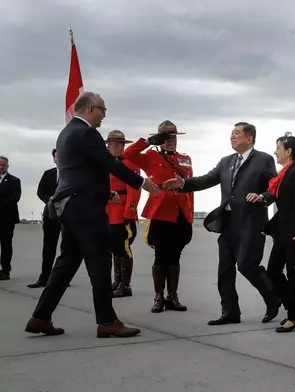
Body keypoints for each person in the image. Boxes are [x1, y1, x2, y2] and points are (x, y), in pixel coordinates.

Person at [25, 92, 159, 338]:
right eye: (102, 110)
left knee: (67, 263)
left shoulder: (66, 133)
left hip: (71, 205)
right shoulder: (87, 133)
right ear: (89, 109)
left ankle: (40, 316)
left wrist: (106, 193)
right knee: (99, 261)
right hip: (85, 208)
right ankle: (107, 321)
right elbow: (111, 164)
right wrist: (143, 183)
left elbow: (82, 172)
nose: (104, 116)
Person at [162, 122, 281, 326]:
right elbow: (207, 179)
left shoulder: (263, 160)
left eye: (236, 133)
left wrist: (262, 196)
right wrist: (183, 184)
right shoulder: (226, 161)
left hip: (251, 223)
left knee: (246, 265)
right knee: (224, 270)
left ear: (249, 138)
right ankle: (230, 312)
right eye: (231, 133)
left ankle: (272, 298)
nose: (232, 136)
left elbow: (274, 187)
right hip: (228, 224)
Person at [122, 121, 193, 313]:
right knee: (161, 256)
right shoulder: (151, 155)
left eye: (174, 137)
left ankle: (173, 296)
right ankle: (159, 296)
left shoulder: (185, 159)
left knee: (175, 256)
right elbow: (127, 155)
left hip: (180, 212)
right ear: (160, 140)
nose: (171, 141)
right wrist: (148, 141)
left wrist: (190, 215)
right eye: (167, 138)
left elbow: (190, 187)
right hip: (161, 211)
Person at [246, 135, 295, 333]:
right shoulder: (285, 174)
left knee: (293, 275)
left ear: (288, 151)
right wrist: (269, 225)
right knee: (273, 271)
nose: (276, 152)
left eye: (278, 148)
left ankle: (294, 318)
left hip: (294, 235)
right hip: (283, 233)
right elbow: (280, 203)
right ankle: (294, 306)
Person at [105, 130, 142, 298]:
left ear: (118, 145)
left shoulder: (129, 164)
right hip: (110, 213)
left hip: (122, 213)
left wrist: (130, 211)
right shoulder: (110, 163)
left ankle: (125, 285)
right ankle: (117, 281)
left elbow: (134, 190)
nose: (107, 147)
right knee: (115, 249)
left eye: (109, 144)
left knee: (124, 249)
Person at [28, 149, 61, 288]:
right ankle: (44, 278)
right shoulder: (48, 174)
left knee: (68, 249)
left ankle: (63, 278)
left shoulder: (73, 173)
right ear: (54, 159)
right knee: (48, 247)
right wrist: (50, 201)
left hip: (69, 216)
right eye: (56, 157)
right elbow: (40, 192)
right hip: (51, 214)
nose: (59, 159)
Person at [0, 155, 21, 281]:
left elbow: (15, 198)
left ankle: (5, 270)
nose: (1, 167)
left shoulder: (14, 181)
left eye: (4, 165)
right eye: (0, 164)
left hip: (6, 218)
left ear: (7, 166)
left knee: (6, 244)